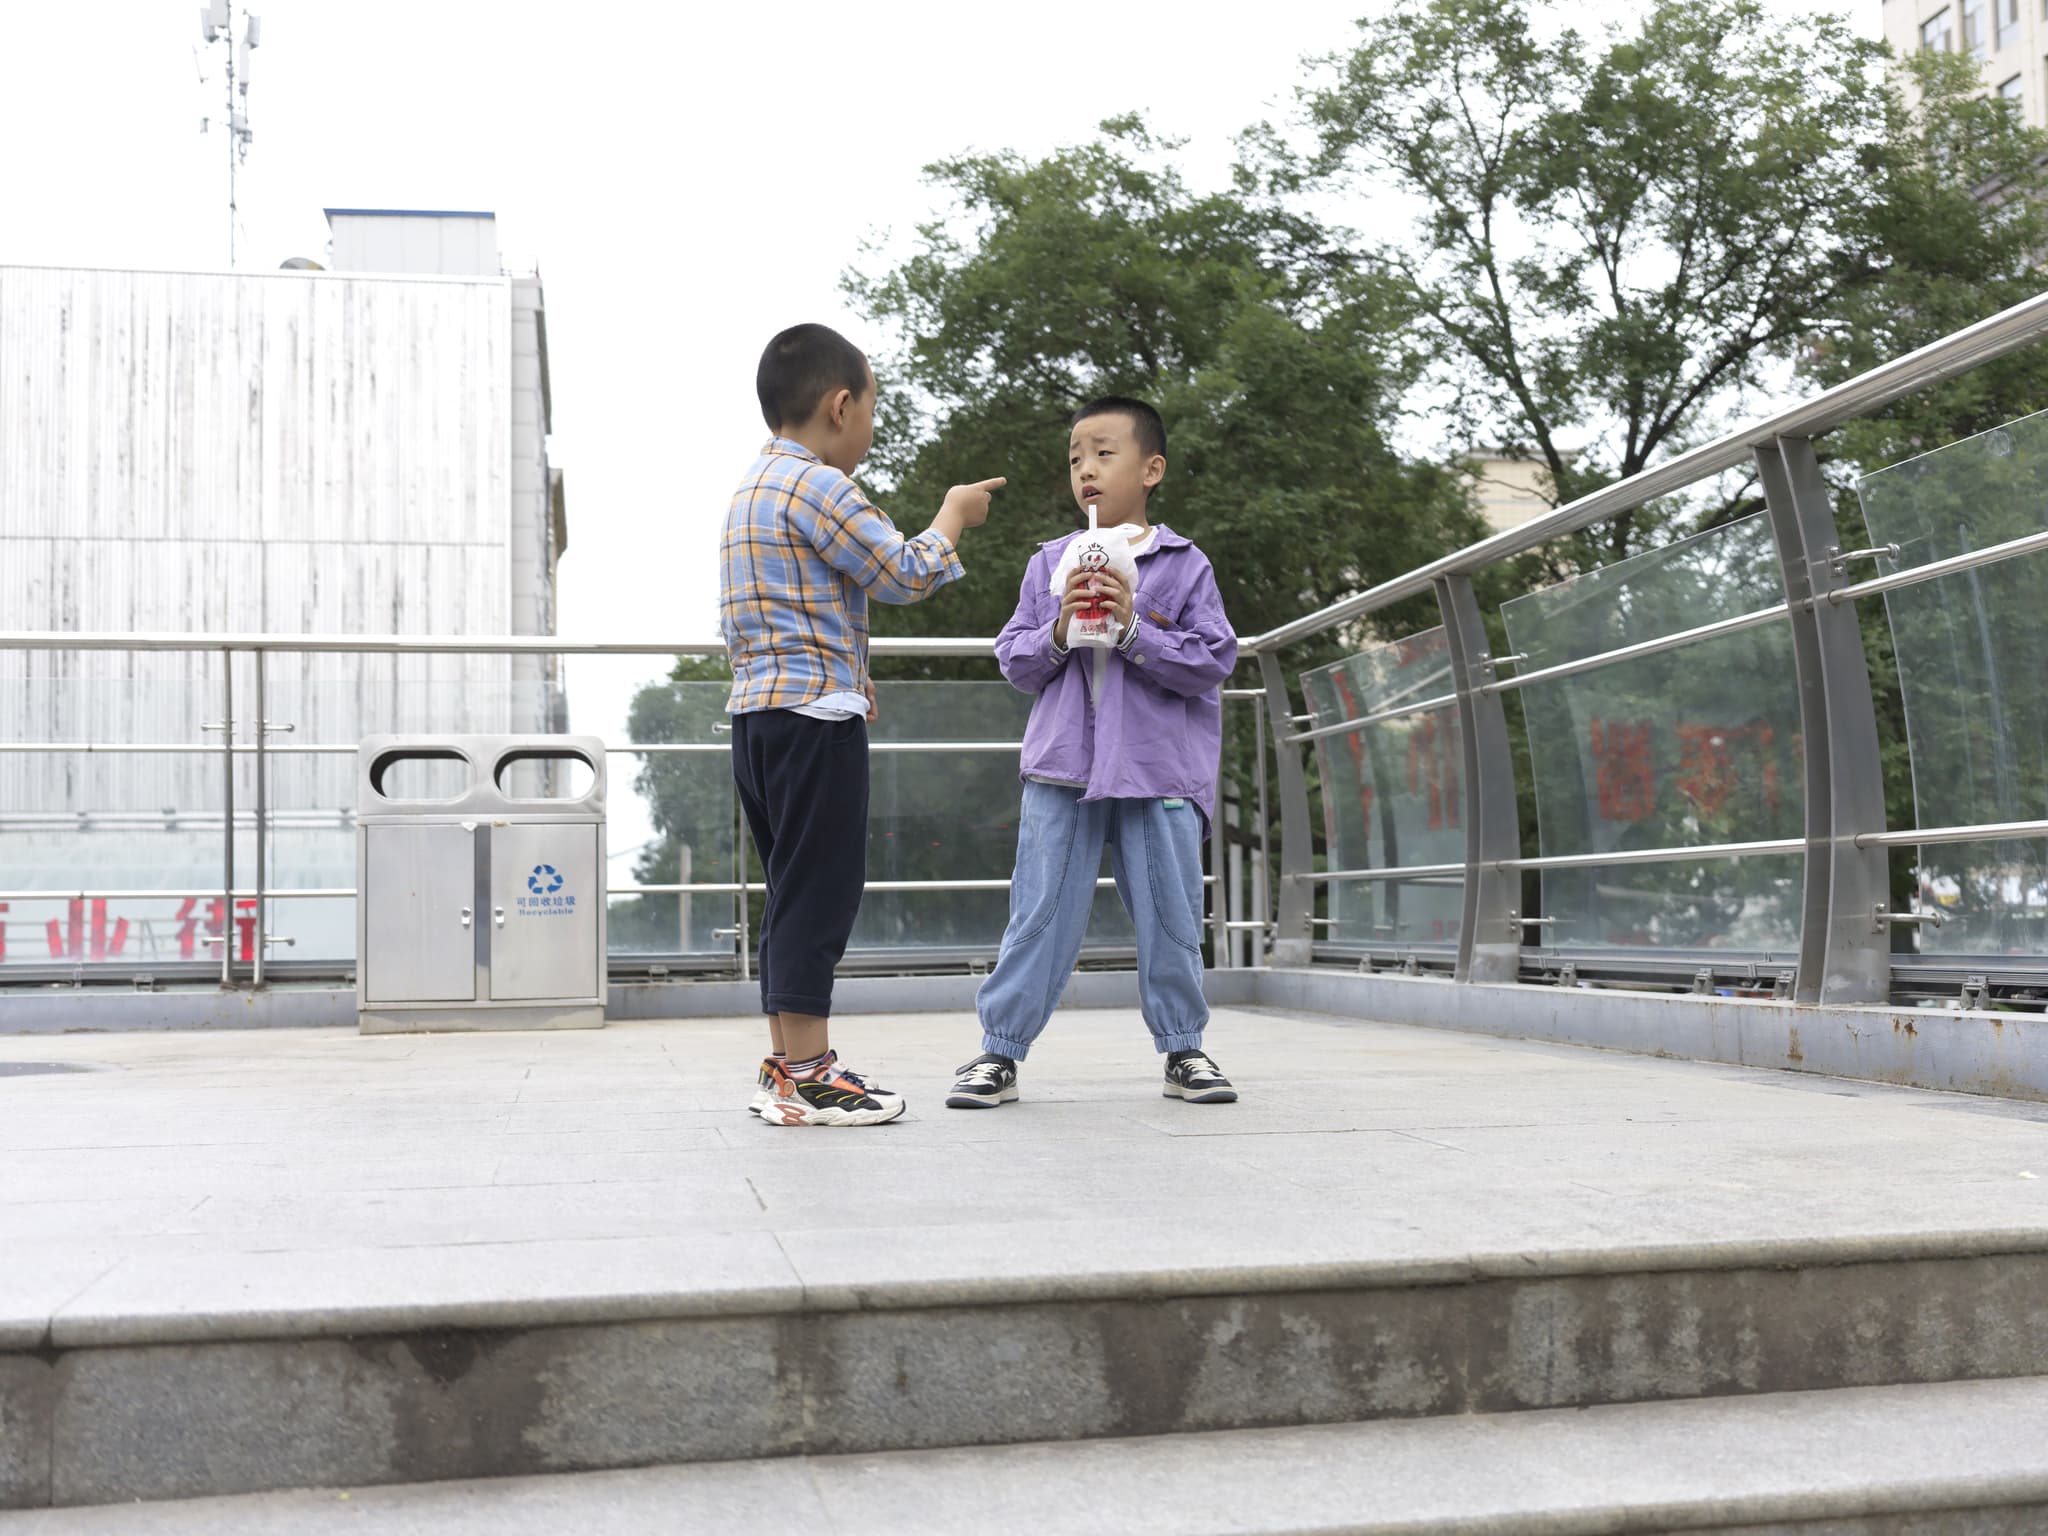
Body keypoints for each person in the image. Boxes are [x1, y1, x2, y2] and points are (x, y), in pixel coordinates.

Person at [720, 323, 1003, 1126]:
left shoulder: (751, 490)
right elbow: (902, 572)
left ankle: (788, 1068)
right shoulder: (820, 487)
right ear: (841, 406)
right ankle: (811, 1074)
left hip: (759, 718)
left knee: (790, 892)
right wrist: (953, 515)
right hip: (814, 721)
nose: (872, 425)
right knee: (822, 894)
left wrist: (851, 671)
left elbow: (778, 614)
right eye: (873, 407)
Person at [947, 397, 1239, 1109]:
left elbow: (1212, 660)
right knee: (1040, 912)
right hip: (1062, 766)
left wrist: (1134, 627)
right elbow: (1015, 659)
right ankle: (999, 1053)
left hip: (1158, 768)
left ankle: (1184, 1050)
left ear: (1152, 468)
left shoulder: (1184, 563)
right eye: (1076, 456)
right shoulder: (1049, 561)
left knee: (1172, 915)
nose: (1087, 469)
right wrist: (1060, 629)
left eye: (1105, 453)